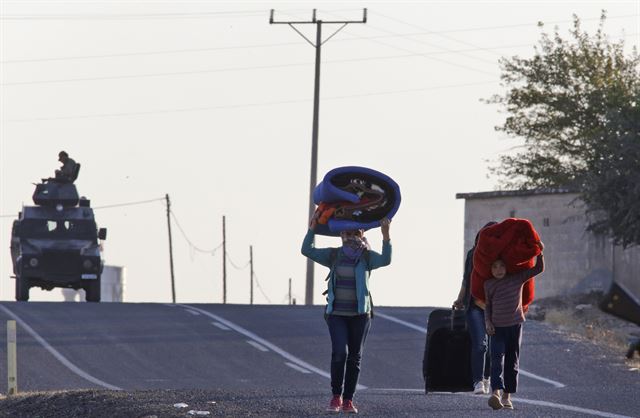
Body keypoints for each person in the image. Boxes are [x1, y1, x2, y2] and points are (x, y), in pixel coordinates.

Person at [302, 214, 392, 414]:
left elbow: (386, 260)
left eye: (355, 233)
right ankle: (336, 396)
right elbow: (306, 250)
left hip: (360, 315)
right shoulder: (333, 255)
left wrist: (386, 235)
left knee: (354, 357)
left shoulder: (367, 257)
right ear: (341, 234)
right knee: (339, 353)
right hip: (337, 314)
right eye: (347, 233)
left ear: (361, 233)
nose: (351, 236)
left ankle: (348, 400)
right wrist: (312, 229)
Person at [484, 243, 545, 410]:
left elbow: (538, 269)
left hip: (515, 326)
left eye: (502, 266)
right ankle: (495, 392)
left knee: (512, 362)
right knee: (496, 360)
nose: (499, 270)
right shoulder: (488, 285)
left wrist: (540, 252)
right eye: (495, 267)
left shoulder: (517, 278)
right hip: (497, 328)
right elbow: (487, 306)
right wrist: (488, 322)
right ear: (490, 269)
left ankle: (507, 396)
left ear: (507, 267)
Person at [453, 222, 496, 395]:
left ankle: (487, 378)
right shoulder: (472, 254)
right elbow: (466, 279)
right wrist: (460, 298)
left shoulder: (500, 257)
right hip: (475, 306)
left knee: (493, 348)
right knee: (480, 345)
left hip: (495, 308)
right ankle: (478, 380)